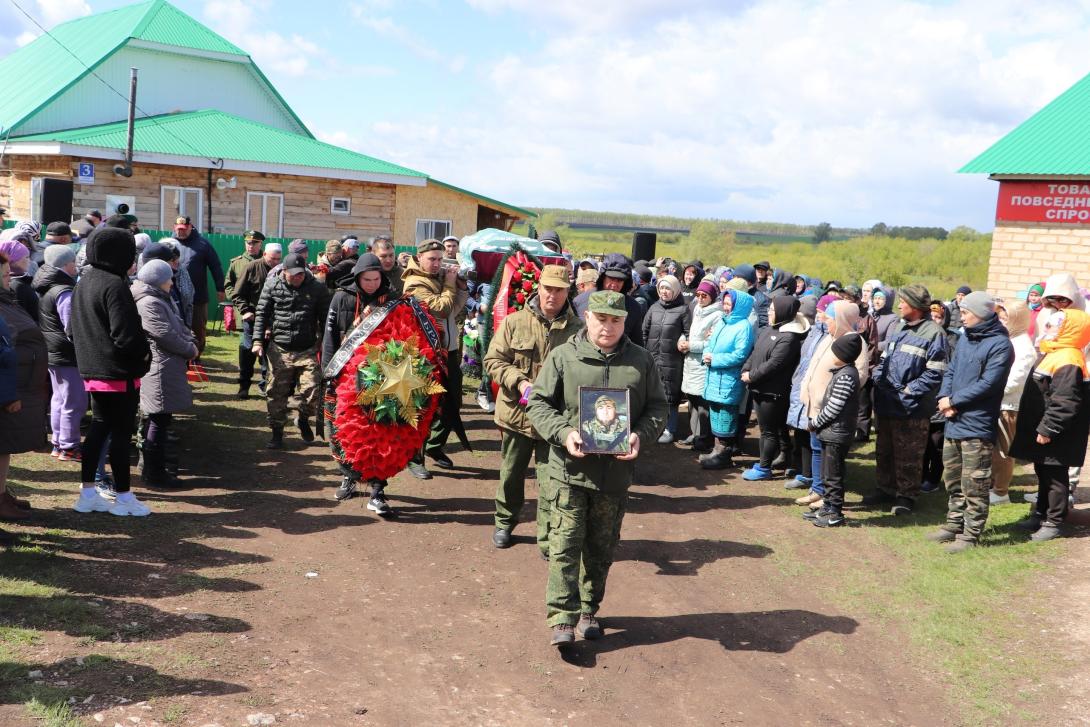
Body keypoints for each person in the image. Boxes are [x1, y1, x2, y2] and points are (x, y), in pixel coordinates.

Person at [526, 290, 667, 647]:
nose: (607, 327)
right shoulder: (563, 357)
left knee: (601, 549)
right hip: (568, 472)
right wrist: (564, 432)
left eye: (615, 321)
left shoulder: (641, 361)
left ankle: (589, 609)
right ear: (587, 318)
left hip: (614, 477)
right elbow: (538, 404)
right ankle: (562, 617)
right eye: (601, 319)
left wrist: (639, 436)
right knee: (564, 545)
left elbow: (657, 409)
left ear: (624, 322)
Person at [484, 264, 581, 552]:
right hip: (517, 415)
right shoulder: (514, 322)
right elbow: (493, 362)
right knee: (511, 474)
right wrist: (520, 383)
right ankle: (504, 522)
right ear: (538, 288)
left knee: (551, 479)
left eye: (559, 290)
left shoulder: (579, 331)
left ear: (567, 292)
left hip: (554, 420)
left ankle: (548, 536)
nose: (552, 295)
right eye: (548, 288)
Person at [68, 226, 153, 517]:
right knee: (119, 434)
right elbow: (126, 335)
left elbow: (72, 330)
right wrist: (144, 355)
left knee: (98, 430)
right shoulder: (114, 285)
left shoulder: (84, 281)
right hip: (117, 372)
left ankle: (88, 492)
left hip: (93, 370)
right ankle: (124, 497)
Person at [926, 292, 1014, 552]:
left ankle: (970, 534)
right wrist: (945, 397)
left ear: (981, 313)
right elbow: (951, 370)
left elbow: (990, 383)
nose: (960, 316)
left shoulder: (1000, 345)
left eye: (965, 313)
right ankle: (953, 524)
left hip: (977, 423)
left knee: (974, 483)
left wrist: (954, 401)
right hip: (954, 419)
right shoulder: (965, 338)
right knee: (953, 479)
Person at [321, 254, 400, 511]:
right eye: (366, 279)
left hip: (380, 378)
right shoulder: (341, 297)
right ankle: (349, 475)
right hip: (344, 376)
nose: (371, 284)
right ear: (357, 277)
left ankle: (378, 489)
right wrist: (329, 372)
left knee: (380, 432)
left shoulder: (390, 301)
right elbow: (330, 337)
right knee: (344, 430)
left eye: (376, 279)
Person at [1010, 302, 1090, 542]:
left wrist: (1048, 428)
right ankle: (1040, 514)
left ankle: (1054, 521)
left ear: (1069, 329)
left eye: (1053, 325)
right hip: (1044, 430)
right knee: (1043, 471)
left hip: (1058, 433)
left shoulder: (1068, 359)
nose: (1046, 327)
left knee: (1055, 477)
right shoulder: (1053, 352)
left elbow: (1065, 401)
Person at [867, 284, 948, 515]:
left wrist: (909, 390)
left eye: (903, 301)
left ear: (914, 305)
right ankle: (885, 488)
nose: (899, 304)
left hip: (911, 407)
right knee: (884, 450)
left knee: (909, 455)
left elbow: (936, 372)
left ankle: (906, 496)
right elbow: (885, 358)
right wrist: (877, 376)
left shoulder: (934, 333)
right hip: (887, 402)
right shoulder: (900, 327)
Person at [400, 239, 468, 478]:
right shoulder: (414, 283)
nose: (437, 264)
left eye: (440, 259)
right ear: (419, 259)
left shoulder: (439, 279)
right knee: (423, 406)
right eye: (432, 259)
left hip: (448, 351)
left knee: (452, 403)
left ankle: (434, 446)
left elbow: (454, 310)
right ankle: (414, 458)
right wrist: (450, 284)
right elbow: (441, 309)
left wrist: (460, 287)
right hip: (424, 354)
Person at [252, 253, 331, 449]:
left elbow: (326, 317)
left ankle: (303, 418)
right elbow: (261, 313)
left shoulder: (317, 289)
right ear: (284, 271)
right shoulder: (272, 285)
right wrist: (257, 341)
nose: (297, 277)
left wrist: (325, 344)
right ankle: (277, 433)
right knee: (276, 394)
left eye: (300, 274)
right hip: (280, 349)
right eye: (293, 274)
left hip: (307, 348)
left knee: (313, 391)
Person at [132, 259, 199, 487]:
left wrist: (189, 338)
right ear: (158, 280)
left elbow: (176, 326)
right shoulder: (149, 302)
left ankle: (157, 470)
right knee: (157, 421)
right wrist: (189, 348)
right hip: (158, 368)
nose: (172, 282)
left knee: (161, 420)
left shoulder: (159, 298)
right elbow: (164, 334)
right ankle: (154, 473)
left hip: (165, 365)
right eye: (168, 277)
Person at [0, 248, 48, 523]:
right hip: (9, 388)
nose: (11, 277)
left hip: (17, 384)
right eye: (5, 274)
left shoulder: (8, 299)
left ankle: (1, 494)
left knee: (4, 446)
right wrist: (8, 394)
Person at [741, 296, 808, 480]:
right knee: (776, 429)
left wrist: (752, 376)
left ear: (783, 312)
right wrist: (746, 368)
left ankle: (764, 468)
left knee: (767, 431)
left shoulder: (789, 338)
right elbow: (755, 353)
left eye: (772, 309)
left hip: (773, 391)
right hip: (758, 387)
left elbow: (774, 364)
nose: (769, 312)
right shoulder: (769, 329)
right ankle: (783, 457)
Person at [803, 333, 863, 528]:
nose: (831, 354)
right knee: (827, 473)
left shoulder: (846, 376)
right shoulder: (842, 371)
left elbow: (834, 408)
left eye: (834, 351)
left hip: (837, 433)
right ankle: (827, 507)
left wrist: (815, 422)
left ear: (843, 354)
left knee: (834, 475)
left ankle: (835, 512)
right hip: (831, 432)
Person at [32, 245, 86, 461]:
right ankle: (69, 446)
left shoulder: (47, 287)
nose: (76, 266)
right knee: (75, 401)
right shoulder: (64, 291)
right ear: (66, 264)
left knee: (60, 399)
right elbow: (71, 326)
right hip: (66, 353)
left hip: (53, 351)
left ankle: (58, 442)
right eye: (74, 262)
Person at [700, 289, 757, 469]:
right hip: (714, 377)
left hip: (729, 379)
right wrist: (706, 355)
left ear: (738, 306)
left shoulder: (743, 327)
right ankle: (716, 450)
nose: (725, 307)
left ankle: (724, 454)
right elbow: (709, 344)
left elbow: (740, 355)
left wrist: (715, 359)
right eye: (724, 303)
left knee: (726, 415)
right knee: (715, 412)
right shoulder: (723, 322)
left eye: (729, 304)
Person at [990, 301, 1037, 505]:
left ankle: (1001, 492)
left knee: (1004, 450)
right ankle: (994, 486)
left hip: (1009, 406)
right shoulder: (1008, 340)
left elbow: (1014, 382)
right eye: (1000, 317)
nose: (1001, 321)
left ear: (1017, 319)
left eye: (1005, 318)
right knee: (994, 449)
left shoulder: (1024, 348)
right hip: (997, 402)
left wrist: (990, 390)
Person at [642, 275, 691, 443]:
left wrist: (684, 340)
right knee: (652, 394)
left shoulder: (683, 310)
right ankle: (654, 427)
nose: (664, 291)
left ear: (676, 290)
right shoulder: (654, 308)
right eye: (661, 288)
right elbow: (644, 332)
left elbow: (689, 333)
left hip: (673, 360)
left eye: (667, 288)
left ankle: (670, 429)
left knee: (671, 395)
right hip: (652, 357)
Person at [232, 242, 282, 399]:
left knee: (269, 356)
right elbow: (237, 294)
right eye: (272, 259)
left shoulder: (281, 271)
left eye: (278, 259)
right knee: (248, 352)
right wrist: (245, 310)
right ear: (264, 254)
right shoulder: (251, 268)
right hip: (252, 319)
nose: (275, 262)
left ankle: (265, 386)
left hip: (272, 320)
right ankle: (244, 386)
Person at [172, 216, 225, 356]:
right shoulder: (169, 243)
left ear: (190, 227)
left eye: (183, 229)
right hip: (173, 294)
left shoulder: (202, 244)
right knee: (175, 326)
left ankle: (196, 355)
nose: (180, 232)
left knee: (198, 328)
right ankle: (178, 355)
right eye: (178, 229)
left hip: (197, 296)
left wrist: (220, 288)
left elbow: (216, 266)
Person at [679, 279, 721, 452]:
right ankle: (695, 434)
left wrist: (691, 346)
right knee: (692, 400)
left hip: (702, 362)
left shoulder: (717, 315)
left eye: (705, 295)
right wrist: (683, 340)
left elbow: (712, 342)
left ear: (712, 296)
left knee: (703, 403)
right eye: (698, 295)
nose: (701, 298)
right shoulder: (696, 309)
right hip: (690, 361)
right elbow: (690, 332)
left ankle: (704, 438)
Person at [921, 302, 959, 493]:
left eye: (939, 318)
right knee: (923, 441)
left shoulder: (953, 340)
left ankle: (934, 478)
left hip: (941, 396)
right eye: (932, 317)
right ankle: (920, 474)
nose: (935, 321)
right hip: (924, 395)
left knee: (937, 442)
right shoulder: (923, 335)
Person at [572, 253, 645, 347]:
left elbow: (637, 344)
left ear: (626, 282)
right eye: (611, 279)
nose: (614, 285)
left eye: (619, 280)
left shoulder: (633, 308)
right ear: (602, 278)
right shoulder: (580, 302)